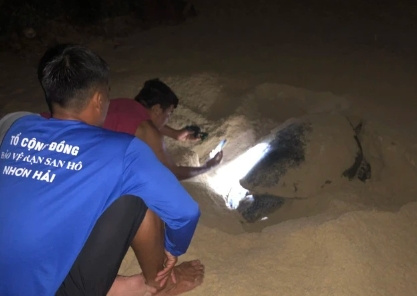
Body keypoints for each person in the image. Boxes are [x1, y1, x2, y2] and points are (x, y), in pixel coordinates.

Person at [0, 44, 204, 296]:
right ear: (98, 99)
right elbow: (186, 213)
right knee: (138, 194)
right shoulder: (123, 149)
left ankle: (122, 286)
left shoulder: (17, 126)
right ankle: (160, 283)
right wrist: (173, 248)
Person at [42, 78, 223, 181]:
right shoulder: (147, 129)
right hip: (66, 158)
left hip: (47, 129)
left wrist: (175, 134)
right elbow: (171, 172)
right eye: (168, 114)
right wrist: (206, 167)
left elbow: (141, 121)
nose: (168, 118)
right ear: (157, 109)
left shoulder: (124, 104)